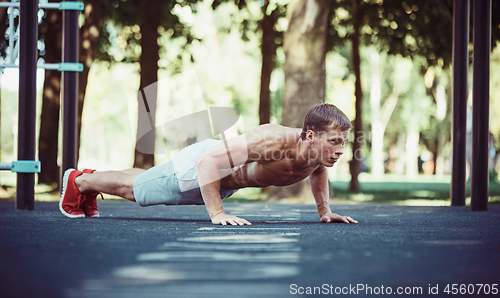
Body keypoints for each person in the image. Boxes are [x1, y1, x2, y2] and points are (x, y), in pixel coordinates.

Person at [59, 103, 358, 225]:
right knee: (138, 191)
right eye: (334, 141)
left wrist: (325, 211)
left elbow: (317, 173)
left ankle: (90, 177)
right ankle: (79, 182)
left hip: (222, 179)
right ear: (309, 135)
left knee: (149, 178)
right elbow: (207, 161)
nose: (340, 150)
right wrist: (216, 213)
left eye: (343, 142)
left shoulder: (316, 155)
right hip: (204, 166)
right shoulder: (273, 140)